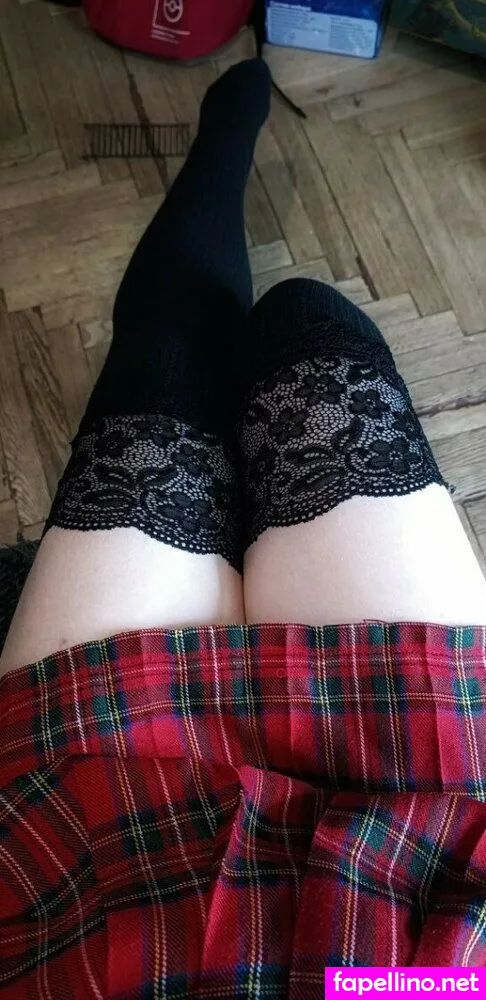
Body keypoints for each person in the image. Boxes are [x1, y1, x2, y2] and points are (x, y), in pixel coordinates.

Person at [1, 59, 486, 998]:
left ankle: (221, 143)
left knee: (164, 363)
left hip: (104, 878)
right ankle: (226, 136)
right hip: (416, 870)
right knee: (309, 325)